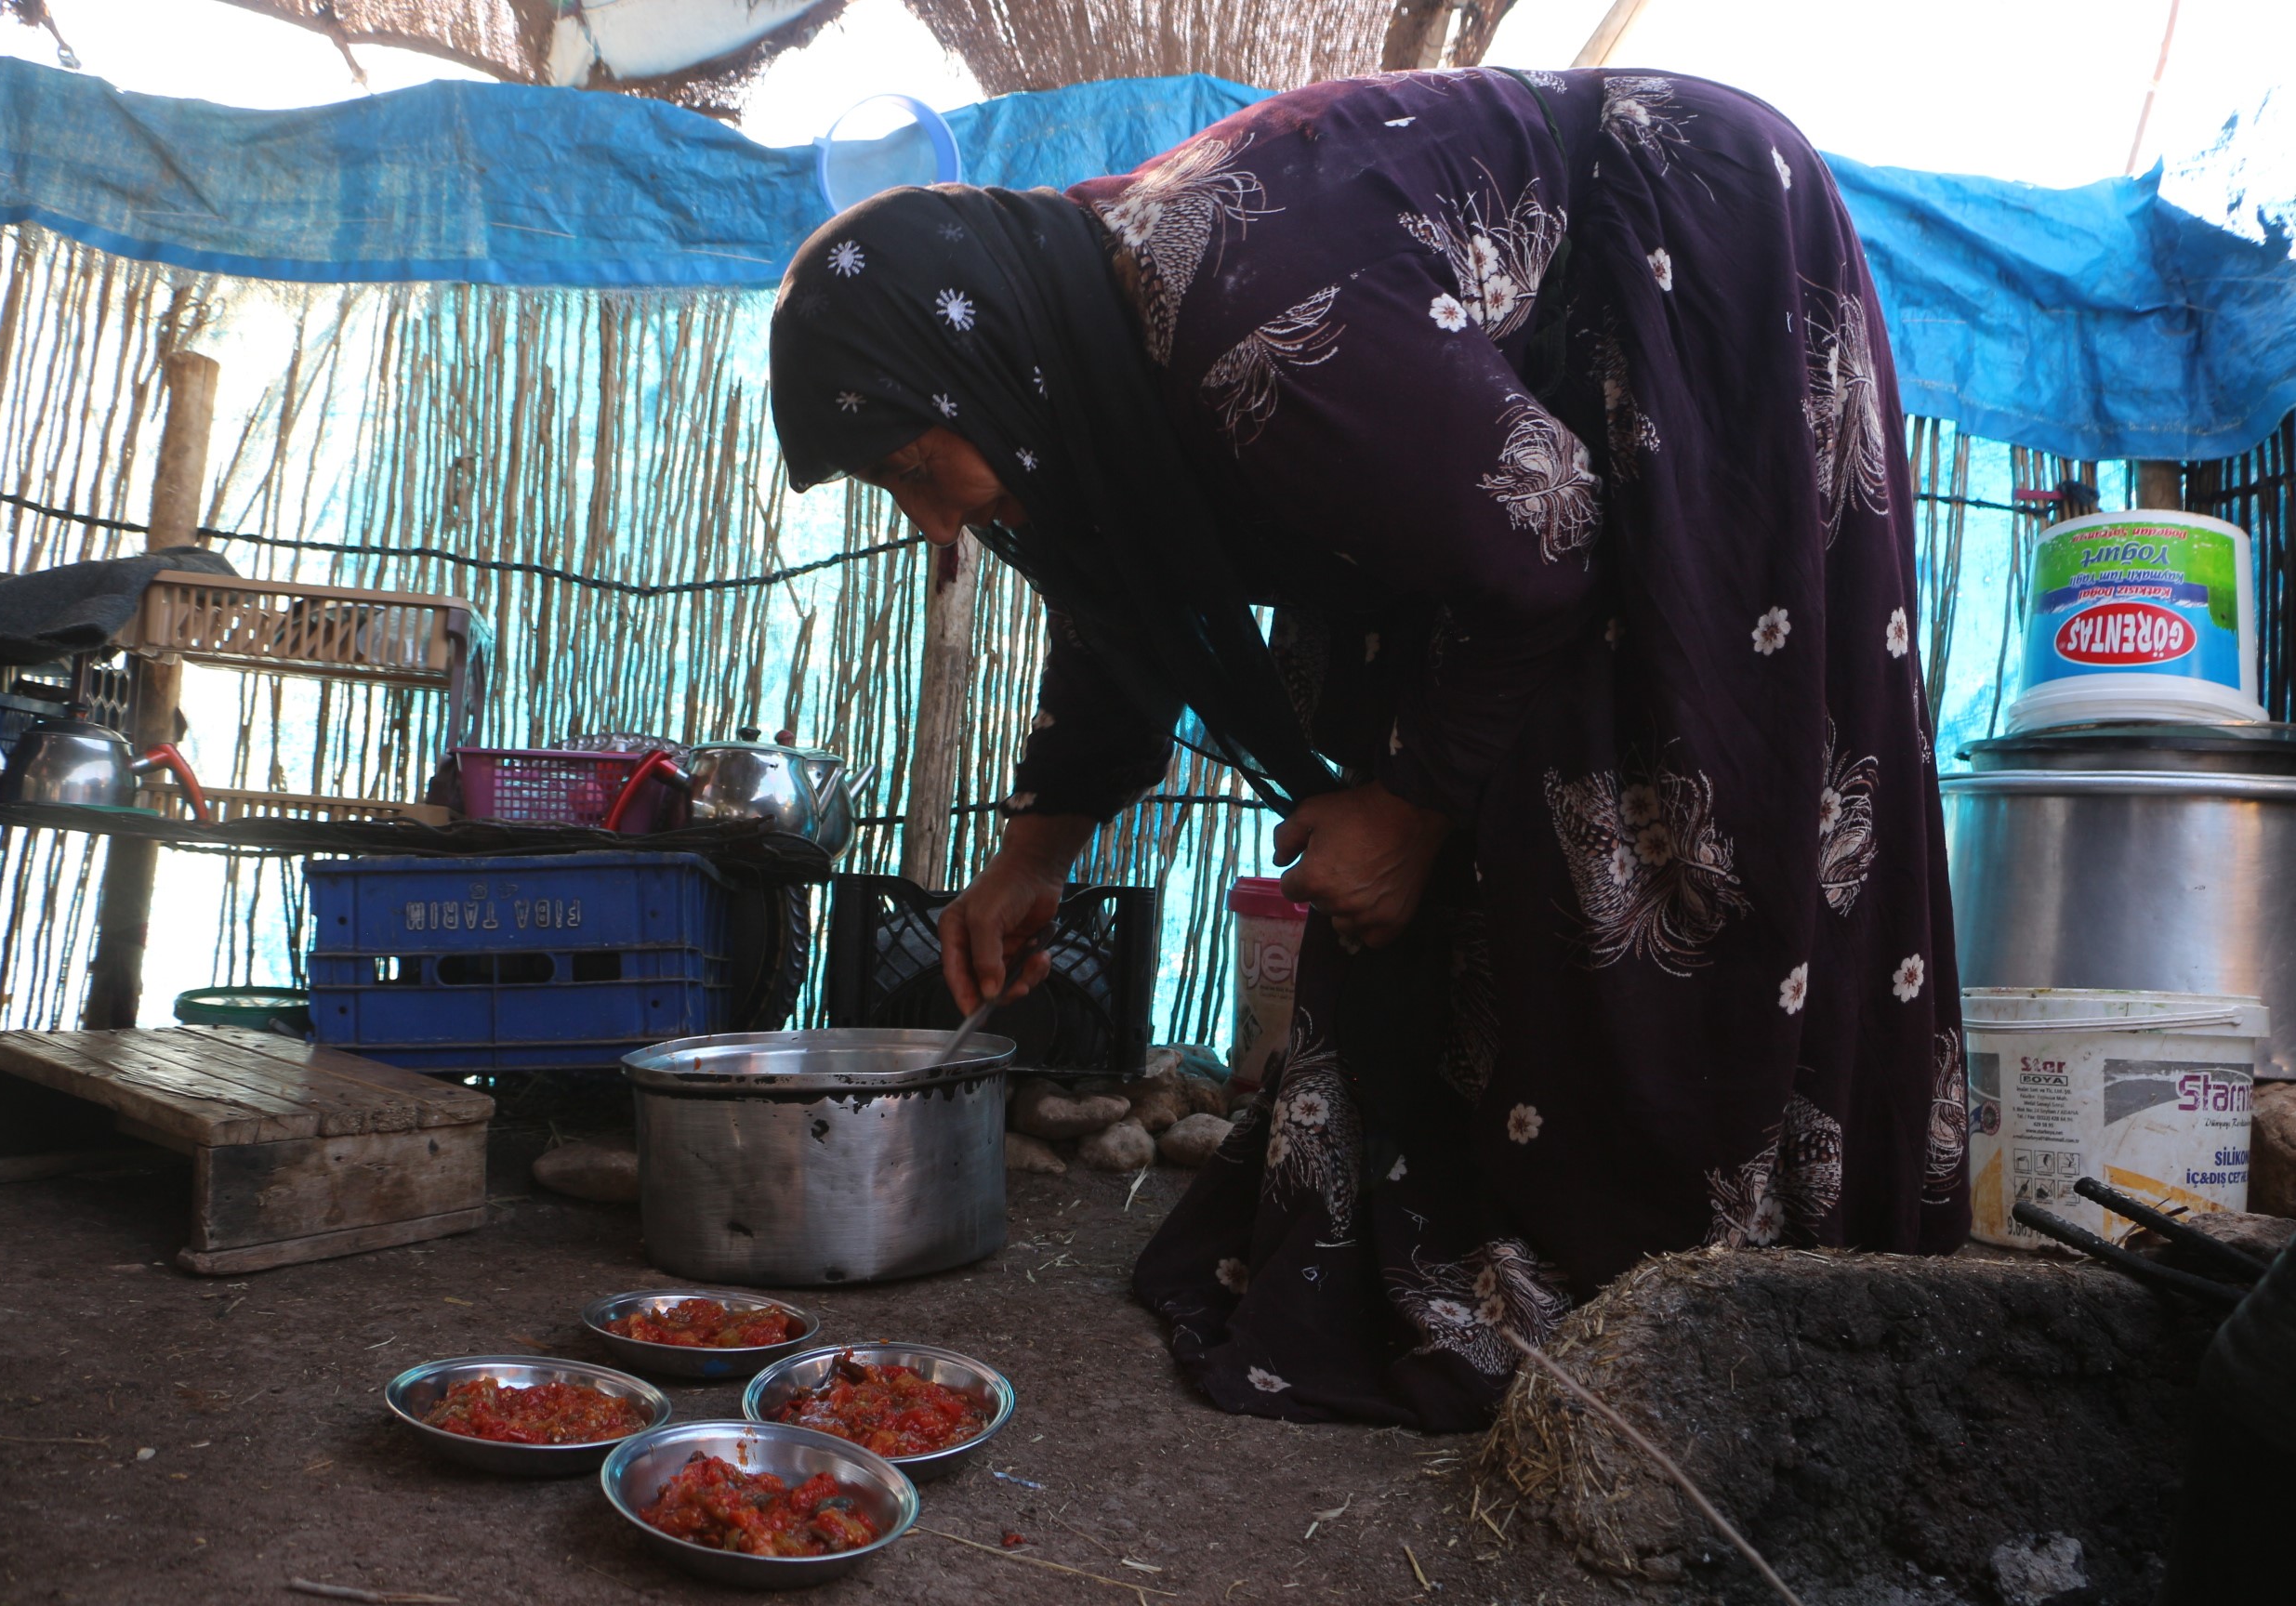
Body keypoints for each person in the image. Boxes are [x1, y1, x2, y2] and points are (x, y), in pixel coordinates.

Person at [770, 64, 1965, 1432]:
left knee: (1651, 766)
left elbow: (1548, 538)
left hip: (1686, 245)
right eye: (896, 487)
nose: (931, 522)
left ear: (985, 369)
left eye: (921, 468)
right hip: (1496, 379)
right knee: (1458, 709)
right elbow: (1125, 589)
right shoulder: (1084, 357)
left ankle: (1704, 1247)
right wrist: (1033, 852)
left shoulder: (1252, 328)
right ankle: (1496, 1185)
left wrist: (1406, 810)